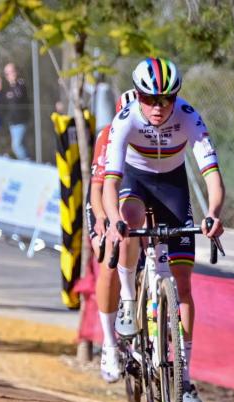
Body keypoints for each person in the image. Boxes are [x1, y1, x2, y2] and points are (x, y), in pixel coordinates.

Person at [102, 57, 225, 402]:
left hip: (173, 188)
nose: (159, 107)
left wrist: (213, 215)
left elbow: (213, 178)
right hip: (135, 181)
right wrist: (113, 221)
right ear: (138, 96)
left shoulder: (188, 116)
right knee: (129, 219)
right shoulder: (125, 120)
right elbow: (111, 182)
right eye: (150, 98)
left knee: (183, 285)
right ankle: (128, 301)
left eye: (166, 99)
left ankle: (183, 377)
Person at [88, 89, 137, 383]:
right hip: (103, 199)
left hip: (133, 196)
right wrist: (103, 221)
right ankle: (108, 343)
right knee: (109, 255)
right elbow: (97, 189)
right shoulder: (108, 135)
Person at [0, 63, 30, 159]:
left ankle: (28, 164)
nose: (9, 75)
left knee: (17, 146)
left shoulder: (20, 84)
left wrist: (11, 93)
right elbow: (5, 100)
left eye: (11, 72)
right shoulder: (9, 88)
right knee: (17, 145)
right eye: (7, 73)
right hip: (12, 122)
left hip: (20, 121)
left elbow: (17, 98)